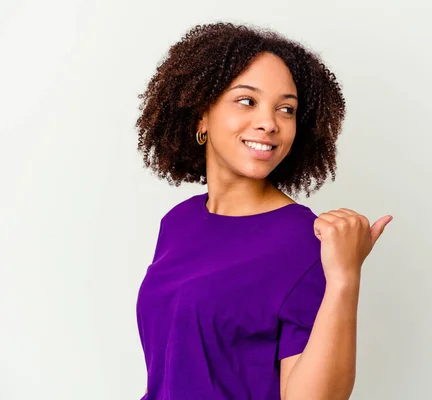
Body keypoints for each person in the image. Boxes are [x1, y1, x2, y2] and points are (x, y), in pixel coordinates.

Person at [134, 22, 392, 400]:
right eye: (247, 101)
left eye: (285, 109)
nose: (269, 123)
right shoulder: (178, 222)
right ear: (202, 116)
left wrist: (344, 279)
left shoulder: (307, 241)